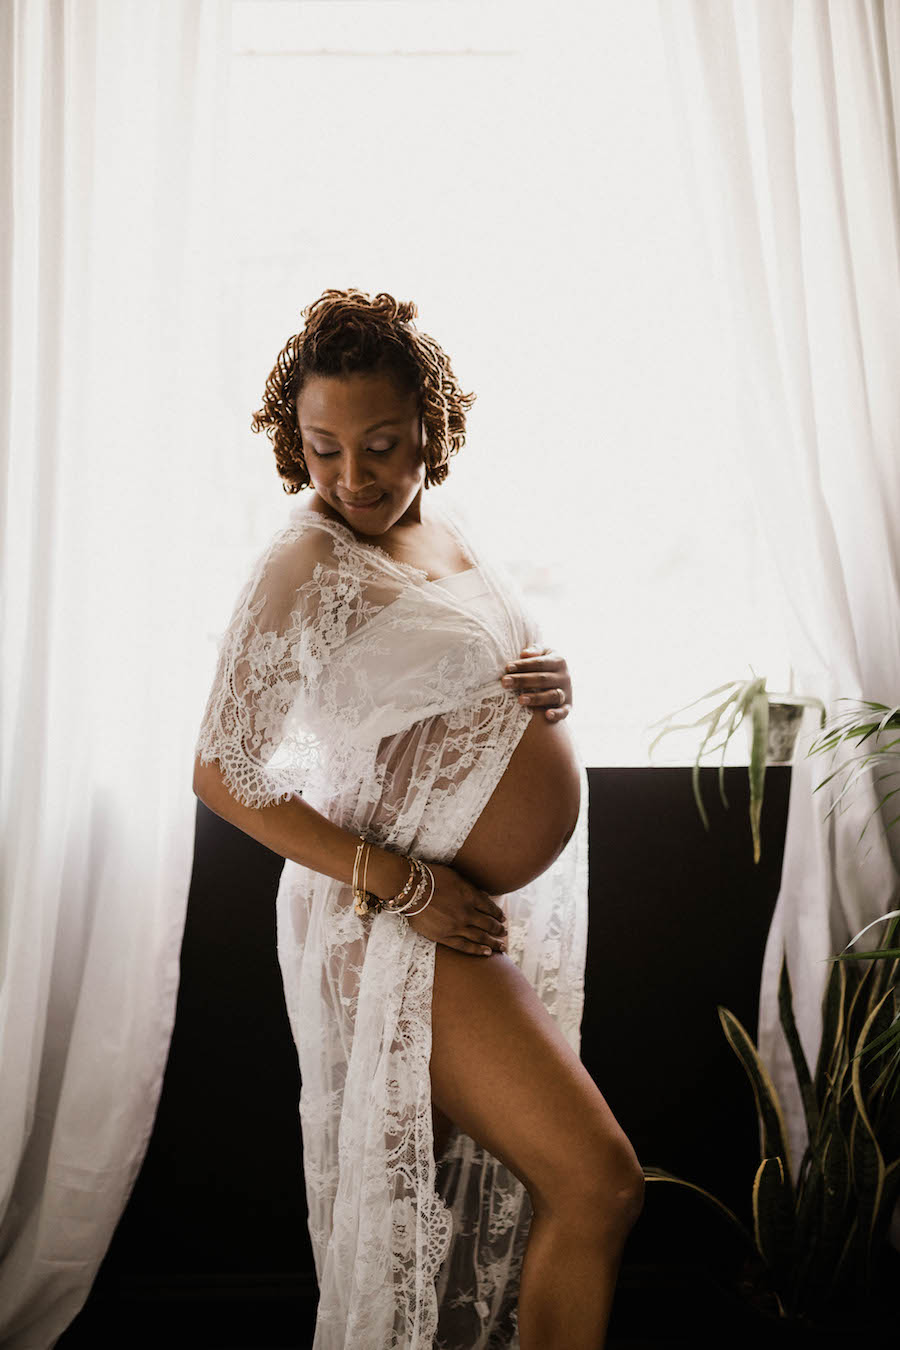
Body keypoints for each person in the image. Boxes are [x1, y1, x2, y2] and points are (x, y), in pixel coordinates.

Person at [192, 288, 644, 1350]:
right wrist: (406, 887)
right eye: (324, 449)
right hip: (396, 920)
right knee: (600, 1186)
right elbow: (224, 772)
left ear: (430, 430)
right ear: (291, 443)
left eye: (382, 446)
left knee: (442, 1240)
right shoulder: (301, 559)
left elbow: (441, 685)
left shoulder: (443, 524)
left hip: (460, 915)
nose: (353, 477)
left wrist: (543, 679)